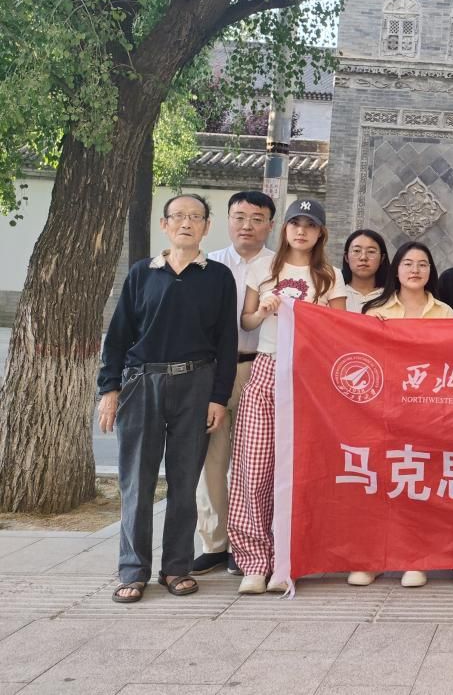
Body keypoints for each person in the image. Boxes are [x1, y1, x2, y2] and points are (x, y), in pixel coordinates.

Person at [97, 194, 237, 603]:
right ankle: (132, 570)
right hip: (142, 384)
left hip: (196, 384)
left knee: (184, 481)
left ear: (206, 227)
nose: (186, 223)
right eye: (178, 216)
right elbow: (118, 336)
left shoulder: (218, 277)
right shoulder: (142, 273)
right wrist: (109, 389)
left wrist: (218, 397)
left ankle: (176, 567)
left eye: (195, 217)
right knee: (136, 481)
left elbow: (226, 342)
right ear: (165, 224)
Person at [230, 198, 347, 594]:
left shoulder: (330, 276)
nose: (301, 230)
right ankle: (254, 562)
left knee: (303, 469)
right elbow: (247, 321)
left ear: (320, 233)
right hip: (266, 365)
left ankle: (291, 558)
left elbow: (340, 329)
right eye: (295, 223)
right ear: (285, 228)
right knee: (254, 466)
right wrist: (263, 310)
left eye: (310, 225)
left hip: (309, 376)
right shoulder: (264, 268)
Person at [344, 242, 453, 589]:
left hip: (426, 413)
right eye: (408, 263)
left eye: (423, 264)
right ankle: (372, 559)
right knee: (378, 484)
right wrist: (369, 330)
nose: (415, 270)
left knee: (417, 484)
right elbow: (357, 359)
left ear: (431, 271)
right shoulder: (375, 310)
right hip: (381, 412)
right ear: (396, 269)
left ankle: (414, 559)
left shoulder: (445, 313)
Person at [192, 191, 275, 577]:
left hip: (263, 369)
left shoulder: (280, 267)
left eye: (257, 219)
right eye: (239, 217)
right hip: (215, 372)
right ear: (226, 221)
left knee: (256, 465)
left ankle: (252, 544)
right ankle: (214, 543)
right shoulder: (207, 266)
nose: (247, 225)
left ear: (270, 225)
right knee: (213, 459)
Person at [341, 229, 389, 313]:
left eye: (371, 251)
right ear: (346, 257)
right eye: (356, 251)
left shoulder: (393, 296)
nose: (363, 257)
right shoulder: (335, 294)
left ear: (382, 258)